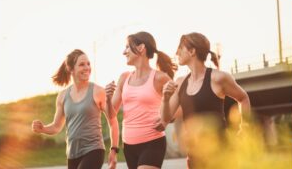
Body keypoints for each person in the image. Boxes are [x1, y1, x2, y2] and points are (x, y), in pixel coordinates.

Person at [160, 33, 251, 168]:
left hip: (222, 152)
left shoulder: (218, 78)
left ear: (192, 51)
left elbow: (243, 98)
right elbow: (165, 118)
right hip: (194, 155)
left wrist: (244, 127)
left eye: (180, 47)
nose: (176, 52)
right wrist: (165, 99)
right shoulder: (180, 83)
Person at [31, 49, 119, 169]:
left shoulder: (98, 91)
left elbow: (112, 120)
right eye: (82, 64)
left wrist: (114, 149)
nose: (87, 67)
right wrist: (43, 129)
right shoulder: (62, 96)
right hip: (72, 154)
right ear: (70, 69)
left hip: (94, 150)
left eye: (88, 64)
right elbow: (56, 126)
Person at [105, 31, 177, 169]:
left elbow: (176, 109)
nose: (124, 52)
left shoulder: (160, 78)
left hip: (152, 142)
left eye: (127, 47)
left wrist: (165, 120)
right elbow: (111, 114)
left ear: (141, 48)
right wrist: (108, 99)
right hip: (129, 145)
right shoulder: (124, 78)